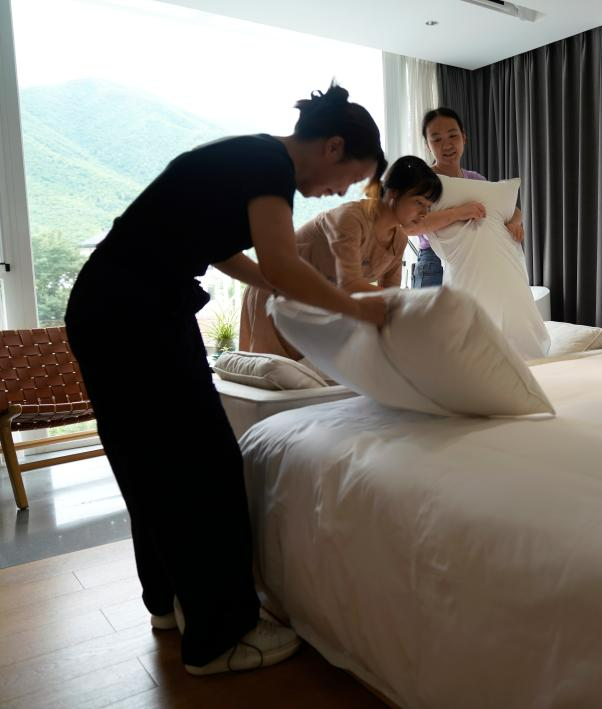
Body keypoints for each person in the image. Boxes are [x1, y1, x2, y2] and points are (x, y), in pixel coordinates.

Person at [63, 82, 387, 676]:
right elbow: (284, 262)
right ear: (334, 146)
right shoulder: (270, 165)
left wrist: (269, 284)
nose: (340, 191)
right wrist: (361, 310)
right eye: (349, 178)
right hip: (138, 314)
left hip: (110, 307)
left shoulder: (247, 155)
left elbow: (217, 247)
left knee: (149, 461)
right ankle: (220, 637)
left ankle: (170, 602)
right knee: (203, 465)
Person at [240, 155, 442, 358]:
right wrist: (414, 299)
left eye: (428, 206)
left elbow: (390, 296)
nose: (424, 213)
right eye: (419, 202)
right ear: (393, 194)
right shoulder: (351, 219)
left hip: (316, 303)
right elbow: (351, 285)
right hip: (276, 290)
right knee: (277, 370)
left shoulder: (398, 240)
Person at [408, 107, 524, 287]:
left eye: (452, 135)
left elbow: (511, 210)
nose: (447, 145)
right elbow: (410, 226)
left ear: (464, 137)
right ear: (427, 145)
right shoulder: (422, 182)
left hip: (472, 262)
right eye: (437, 139)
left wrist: (515, 223)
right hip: (434, 266)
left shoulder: (474, 179)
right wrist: (458, 213)